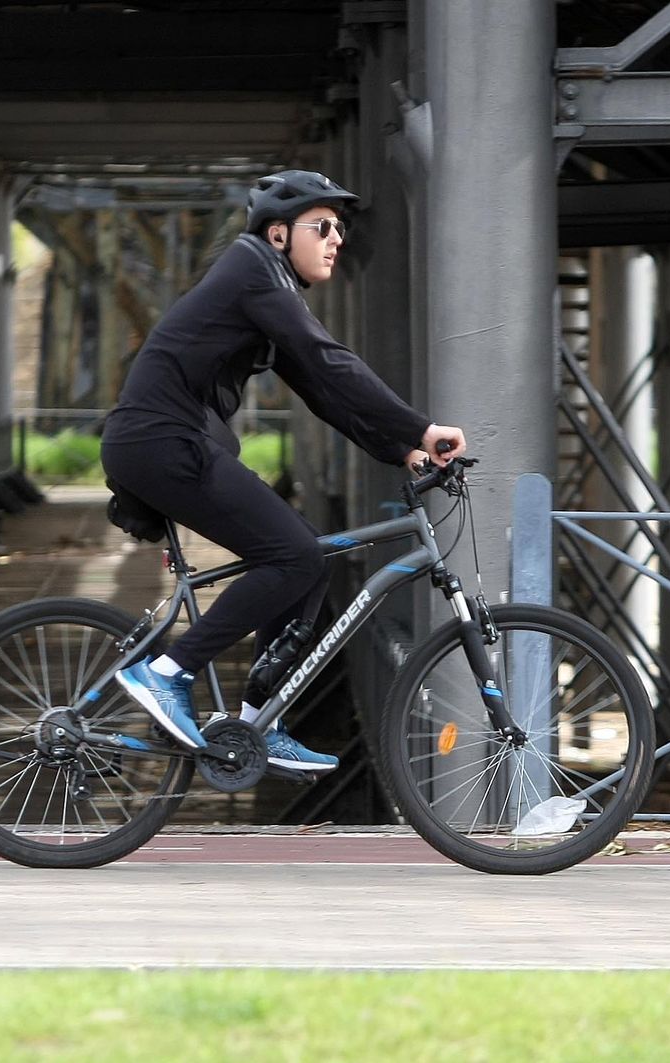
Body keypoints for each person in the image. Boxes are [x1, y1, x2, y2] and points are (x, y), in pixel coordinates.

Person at [101, 169, 467, 773]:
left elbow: (322, 390)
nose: (336, 239)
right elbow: (332, 360)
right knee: (292, 554)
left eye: (341, 229)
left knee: (308, 561)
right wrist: (422, 426)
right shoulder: (252, 270)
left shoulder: (269, 287)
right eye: (322, 226)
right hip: (161, 441)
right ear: (277, 235)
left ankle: (257, 723)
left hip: (171, 442)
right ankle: (167, 671)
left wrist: (400, 448)